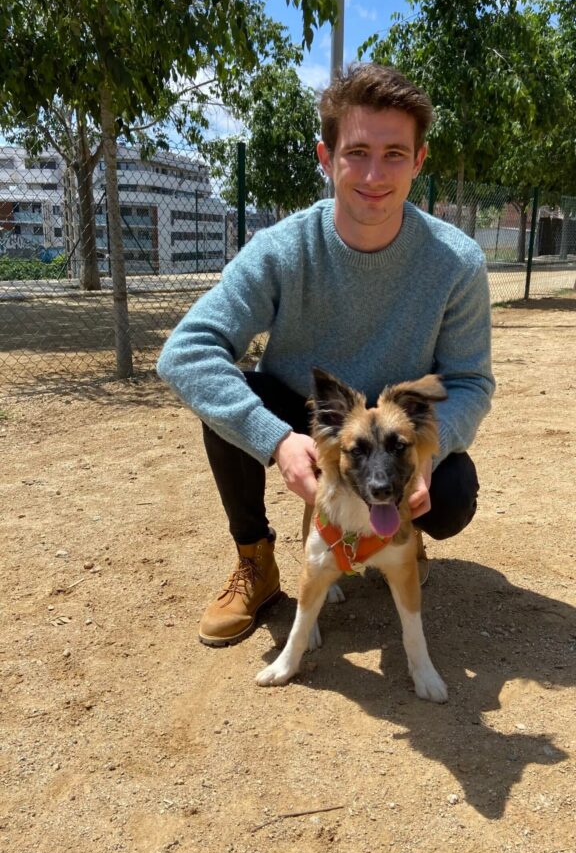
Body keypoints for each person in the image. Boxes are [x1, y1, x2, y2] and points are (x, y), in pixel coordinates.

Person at [157, 63, 495, 647]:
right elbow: (185, 351)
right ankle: (256, 561)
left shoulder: (457, 262)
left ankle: (398, 538)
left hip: (391, 433)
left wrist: (428, 460)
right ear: (326, 156)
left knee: (455, 493)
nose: (373, 173)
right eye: (357, 151)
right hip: (309, 417)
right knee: (235, 397)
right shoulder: (281, 250)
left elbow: (469, 381)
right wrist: (277, 440)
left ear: (419, 161)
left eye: (394, 154)